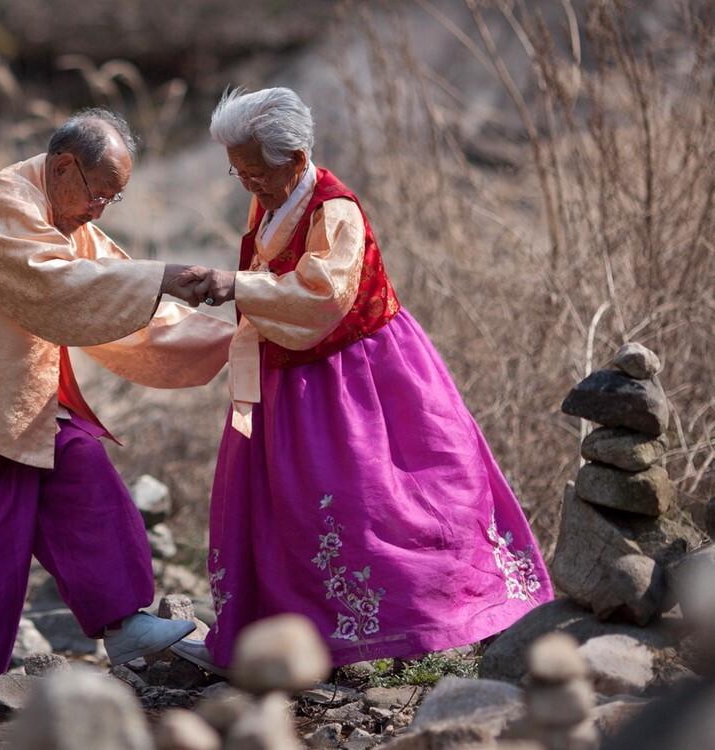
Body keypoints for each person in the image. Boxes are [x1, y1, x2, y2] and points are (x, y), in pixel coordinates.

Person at [169, 87, 552, 674]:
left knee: (376, 500)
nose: (247, 184)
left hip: (358, 376)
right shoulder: (273, 197)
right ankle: (298, 635)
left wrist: (235, 285)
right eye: (238, 172)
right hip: (292, 372)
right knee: (289, 506)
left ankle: (426, 620)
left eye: (255, 173)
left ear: (295, 160)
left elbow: (324, 293)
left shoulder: (334, 210)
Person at [0, 109, 235, 696]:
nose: (100, 210)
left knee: (82, 465)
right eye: (100, 195)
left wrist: (233, 340)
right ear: (64, 167)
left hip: (10, 411)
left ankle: (124, 624)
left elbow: (124, 300)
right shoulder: (3, 204)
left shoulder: (66, 215)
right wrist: (161, 276)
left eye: (111, 201)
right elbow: (58, 290)